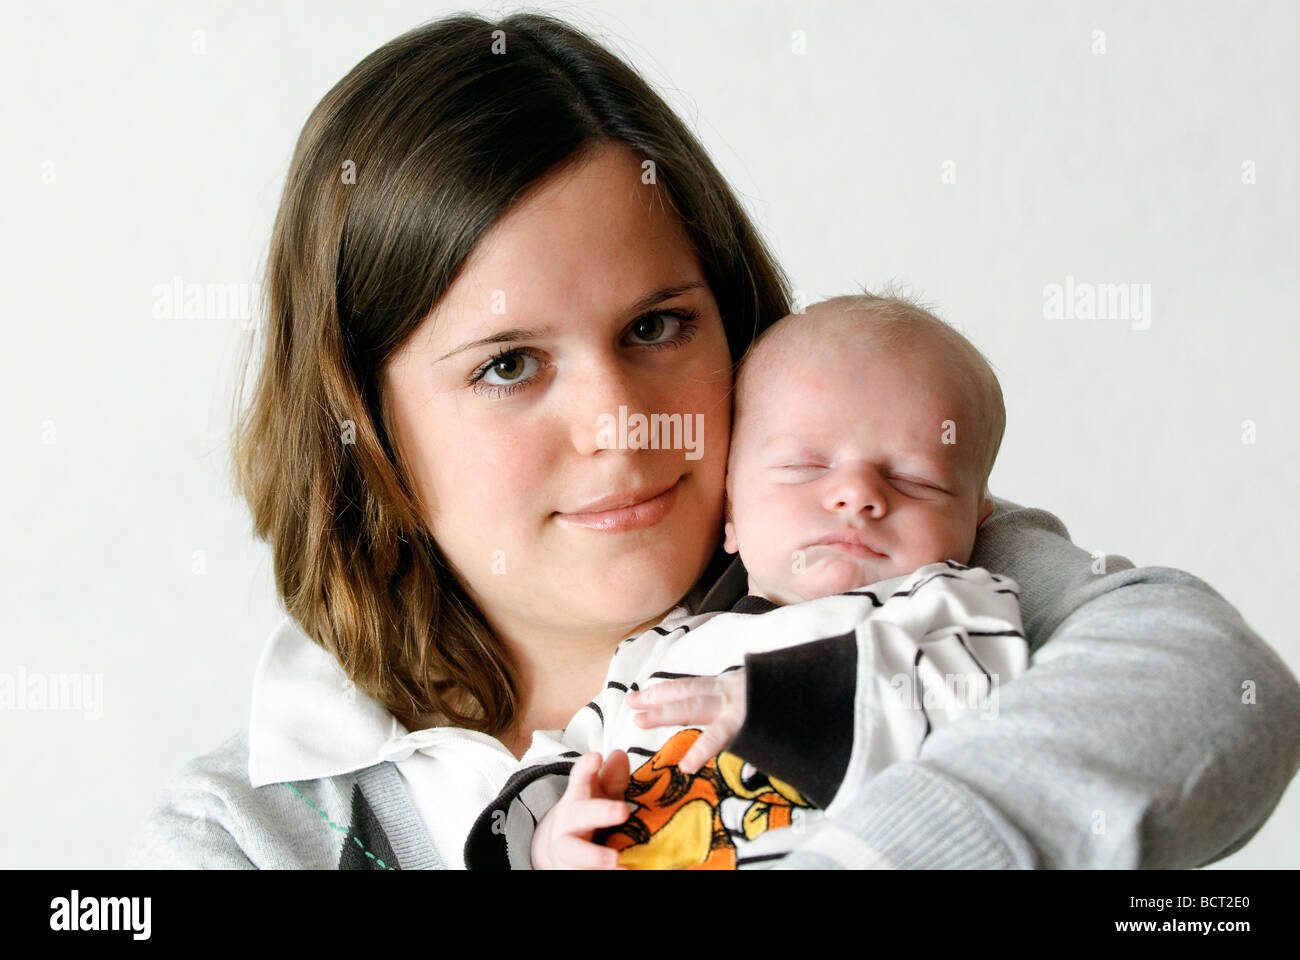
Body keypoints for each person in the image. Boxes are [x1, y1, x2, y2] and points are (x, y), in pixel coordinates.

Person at [124, 12, 1300, 871]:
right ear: (363, 428)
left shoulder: (874, 555)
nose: (618, 422)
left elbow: (1212, 679)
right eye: (507, 365)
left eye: (655, 327)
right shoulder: (250, 830)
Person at [468, 293, 1031, 870]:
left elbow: (983, 711)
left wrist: (779, 704)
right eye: (805, 469)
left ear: (975, 519)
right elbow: (565, 761)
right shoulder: (657, 651)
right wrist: (552, 837)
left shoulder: (951, 607)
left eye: (916, 481)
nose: (857, 496)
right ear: (731, 509)